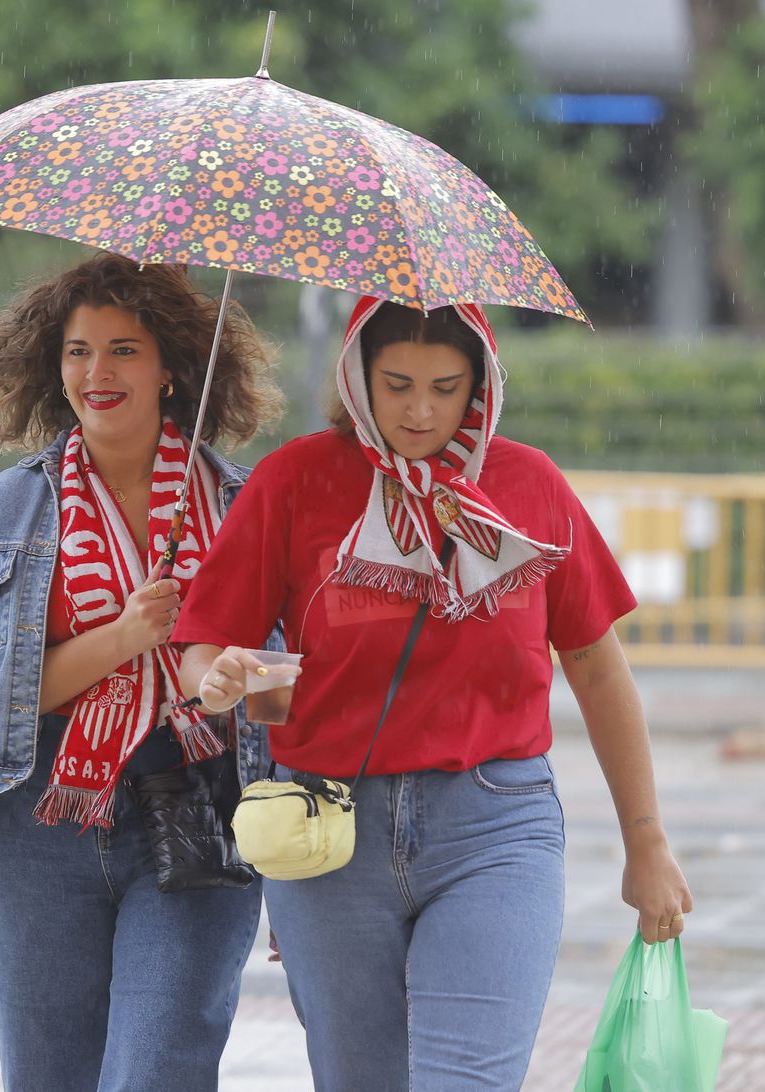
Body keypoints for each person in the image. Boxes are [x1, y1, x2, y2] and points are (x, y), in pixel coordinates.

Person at [176, 297, 692, 1090]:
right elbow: (201, 646)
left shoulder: (529, 487)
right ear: (356, 380)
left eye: (447, 387)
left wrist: (646, 840)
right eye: (398, 384)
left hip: (495, 828)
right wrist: (216, 676)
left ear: (481, 384)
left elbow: (597, 667)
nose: (421, 411)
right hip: (328, 835)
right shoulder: (295, 481)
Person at [0, 253, 283, 1091]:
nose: (97, 372)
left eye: (124, 349)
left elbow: (287, 681)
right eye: (79, 350)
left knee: (156, 1071)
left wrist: (234, 681)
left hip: (194, 813)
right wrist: (127, 636)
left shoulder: (242, 505)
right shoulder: (3, 511)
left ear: (171, 371)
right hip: (40, 825)